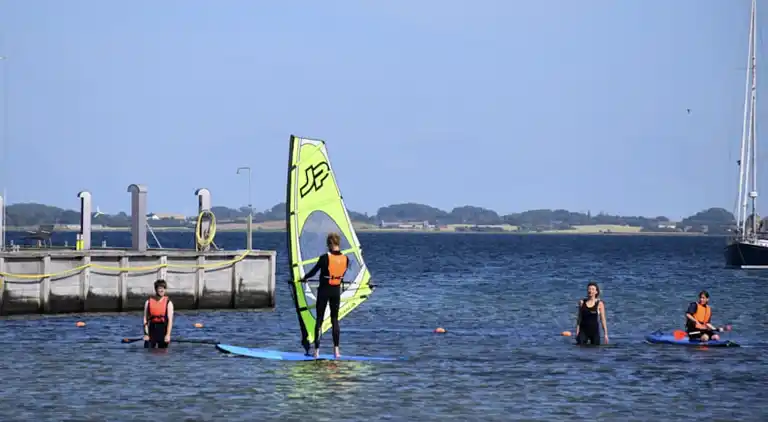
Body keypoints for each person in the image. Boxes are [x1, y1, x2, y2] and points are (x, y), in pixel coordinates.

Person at [300, 232, 349, 359]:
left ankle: (316, 351)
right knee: (334, 320)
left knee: (319, 320)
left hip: (324, 291)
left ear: (329, 244)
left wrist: (304, 278)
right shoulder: (346, 259)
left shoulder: (324, 258)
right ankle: (336, 351)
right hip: (336, 291)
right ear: (338, 243)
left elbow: (313, 272)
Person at [143, 279, 174, 349]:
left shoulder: (169, 303)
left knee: (162, 354)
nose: (162, 290)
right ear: (156, 289)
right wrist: (146, 334)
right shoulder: (148, 302)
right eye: (160, 288)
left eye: (163, 288)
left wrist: (168, 335)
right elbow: (145, 319)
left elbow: (170, 321)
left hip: (163, 330)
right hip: (152, 330)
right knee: (148, 353)